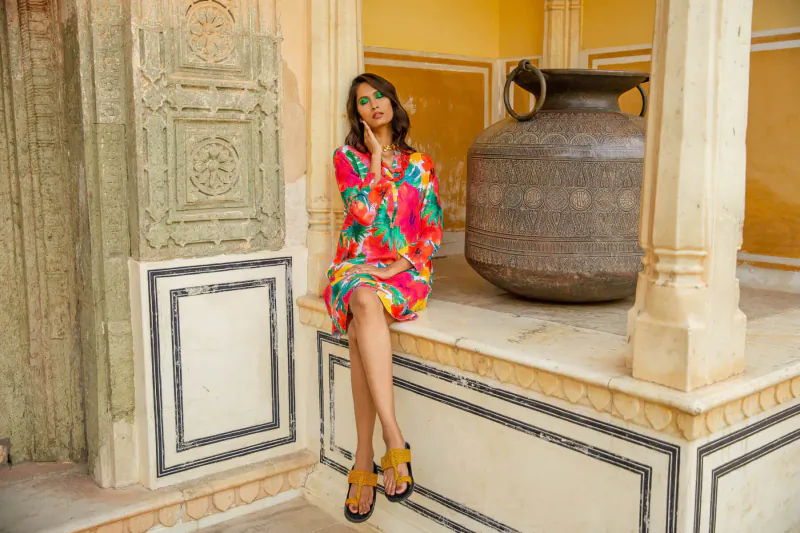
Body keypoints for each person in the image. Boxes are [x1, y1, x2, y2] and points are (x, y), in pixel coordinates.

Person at [323, 73, 443, 523]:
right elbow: (363, 215)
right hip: (356, 264)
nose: (374, 105)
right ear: (357, 115)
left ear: (393, 102)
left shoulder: (422, 165)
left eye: (380, 97)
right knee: (363, 299)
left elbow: (432, 229)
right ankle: (394, 439)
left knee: (361, 323)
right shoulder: (346, 159)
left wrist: (403, 264)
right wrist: (373, 162)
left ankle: (361, 455)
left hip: (404, 272)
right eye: (363, 102)